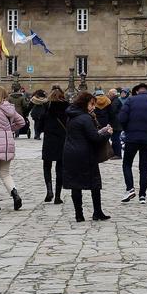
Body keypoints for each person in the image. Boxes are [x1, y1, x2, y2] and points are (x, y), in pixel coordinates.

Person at [61, 91, 114, 222]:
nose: (93, 107)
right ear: (85, 103)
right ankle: (97, 212)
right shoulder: (85, 118)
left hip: (70, 152)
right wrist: (107, 133)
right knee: (94, 183)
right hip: (85, 153)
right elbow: (94, 138)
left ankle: (79, 215)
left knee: (75, 184)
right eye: (92, 104)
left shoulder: (72, 115)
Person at [40, 87, 69, 203]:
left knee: (47, 166)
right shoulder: (67, 107)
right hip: (62, 140)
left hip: (49, 140)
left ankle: (49, 191)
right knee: (60, 168)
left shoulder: (46, 106)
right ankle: (58, 196)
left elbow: (40, 125)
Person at [105, 88, 124, 158]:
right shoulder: (115, 100)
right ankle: (114, 153)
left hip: (116, 124)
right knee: (114, 138)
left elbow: (112, 111)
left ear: (113, 94)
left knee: (116, 139)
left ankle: (117, 154)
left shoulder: (115, 101)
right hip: (116, 123)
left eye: (109, 94)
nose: (108, 95)